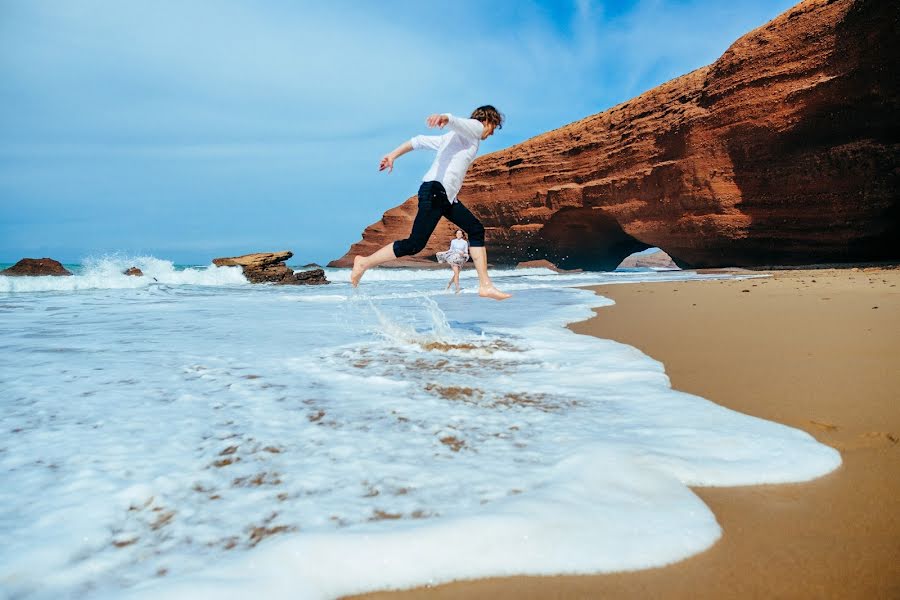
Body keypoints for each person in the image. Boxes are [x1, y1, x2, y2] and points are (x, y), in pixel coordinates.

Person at [350, 106, 511, 300]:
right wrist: (446, 118)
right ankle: (364, 263)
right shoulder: (476, 128)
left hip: (445, 197)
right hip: (435, 191)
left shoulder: (452, 138)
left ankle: (485, 285)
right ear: (487, 120)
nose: (492, 132)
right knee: (414, 244)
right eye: (493, 126)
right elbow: (462, 123)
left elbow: (417, 141)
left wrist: (392, 155)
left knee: (476, 229)